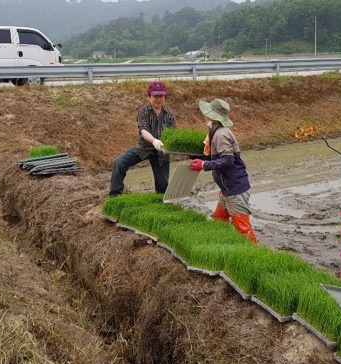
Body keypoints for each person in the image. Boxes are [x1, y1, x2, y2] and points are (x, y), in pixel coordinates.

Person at [189, 99, 257, 243]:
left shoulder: (220, 135)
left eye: (206, 115)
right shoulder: (216, 132)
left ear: (212, 117)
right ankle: (221, 247)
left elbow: (228, 161)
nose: (205, 117)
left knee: (243, 229)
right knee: (219, 222)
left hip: (234, 190)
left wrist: (203, 165)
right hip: (227, 190)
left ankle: (255, 256)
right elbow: (216, 156)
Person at [109, 80, 176, 197]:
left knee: (163, 186)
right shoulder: (143, 112)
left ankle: (161, 204)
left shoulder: (169, 115)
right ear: (149, 96)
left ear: (165, 97)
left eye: (161, 96)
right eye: (155, 96)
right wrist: (154, 140)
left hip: (161, 151)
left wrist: (168, 145)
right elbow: (143, 130)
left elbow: (173, 134)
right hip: (143, 148)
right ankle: (114, 196)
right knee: (119, 163)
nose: (158, 99)